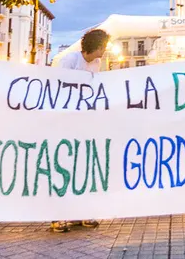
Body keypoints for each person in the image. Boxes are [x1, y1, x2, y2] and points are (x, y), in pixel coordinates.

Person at [51, 29, 110, 233]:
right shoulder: (69, 60)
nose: (105, 50)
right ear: (96, 46)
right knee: (62, 166)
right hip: (65, 121)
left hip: (85, 121)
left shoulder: (96, 64)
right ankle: (57, 216)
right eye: (104, 46)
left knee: (83, 166)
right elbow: (56, 86)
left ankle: (80, 212)